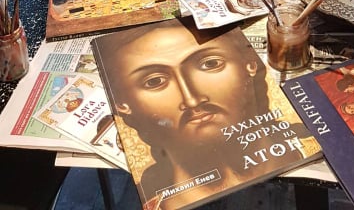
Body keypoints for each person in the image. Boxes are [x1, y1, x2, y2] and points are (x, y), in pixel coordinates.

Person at [95, 18, 307, 209]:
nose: (191, 100)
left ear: (250, 64)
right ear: (123, 104)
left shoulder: (309, 143)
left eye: (210, 63)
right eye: (154, 81)